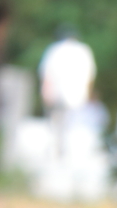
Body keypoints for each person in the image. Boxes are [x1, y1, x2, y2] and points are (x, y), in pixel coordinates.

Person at [38, 25, 96, 156]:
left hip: (57, 93)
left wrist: (45, 91)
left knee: (55, 121)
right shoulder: (84, 51)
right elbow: (90, 75)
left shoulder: (54, 49)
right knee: (71, 122)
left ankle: (55, 148)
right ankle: (66, 150)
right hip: (76, 95)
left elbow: (46, 73)